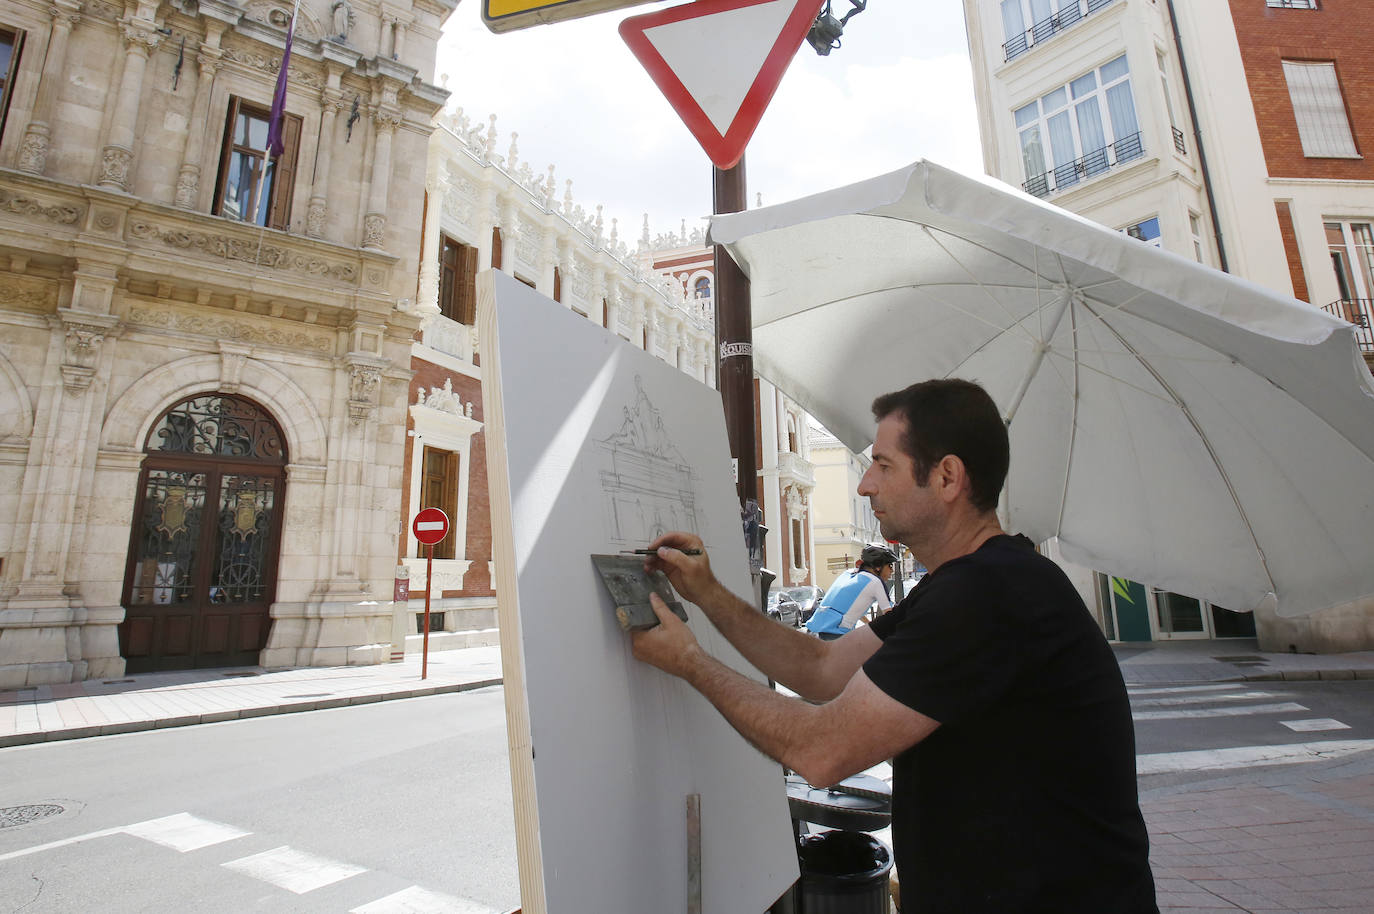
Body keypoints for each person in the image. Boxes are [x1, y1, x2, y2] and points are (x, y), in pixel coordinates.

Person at [631, 378, 1157, 913]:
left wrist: (691, 663)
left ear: (947, 477)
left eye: (884, 466)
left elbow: (821, 750)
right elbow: (821, 667)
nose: (864, 486)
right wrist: (709, 593)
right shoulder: (967, 581)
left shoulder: (989, 593)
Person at [804, 543, 895, 640]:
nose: (892, 571)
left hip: (813, 632)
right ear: (878, 566)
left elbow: (850, 609)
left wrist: (869, 625)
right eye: (889, 566)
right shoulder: (875, 582)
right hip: (834, 635)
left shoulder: (848, 573)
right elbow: (889, 616)